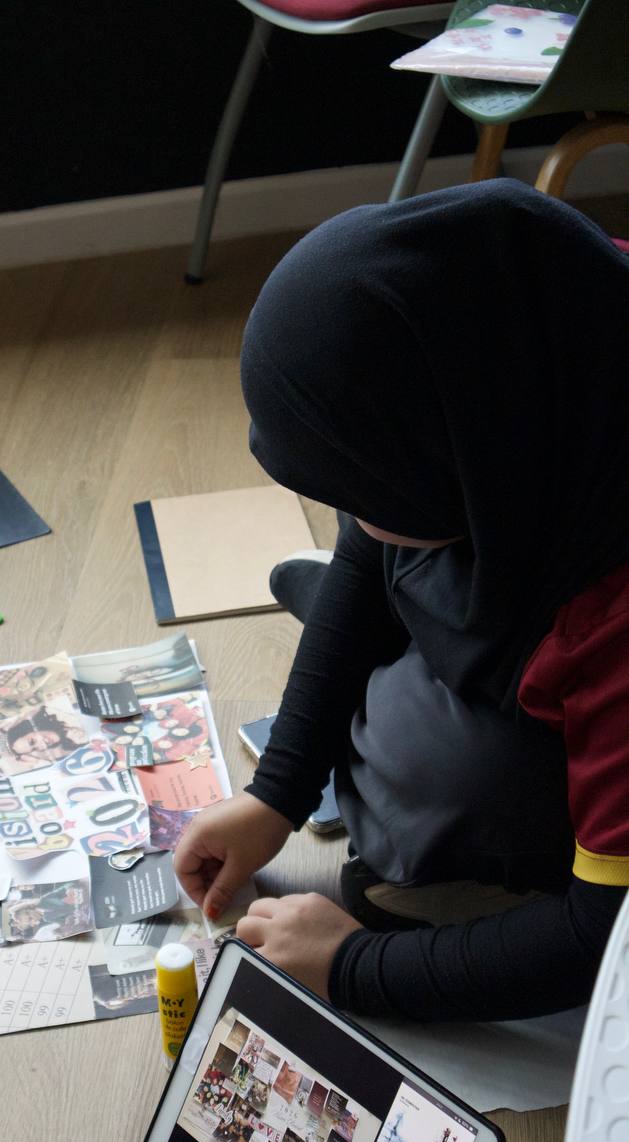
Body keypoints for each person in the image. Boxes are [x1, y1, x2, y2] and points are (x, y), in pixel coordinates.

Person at [174, 180, 629, 1022]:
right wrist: (277, 791)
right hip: (534, 546)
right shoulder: (556, 305)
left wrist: (352, 965)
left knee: (425, 792)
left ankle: (416, 622)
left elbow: (604, 937)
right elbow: (372, 531)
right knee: (392, 550)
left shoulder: (612, 631)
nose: (352, 517)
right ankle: (416, 609)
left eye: (358, 494)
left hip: (587, 643)